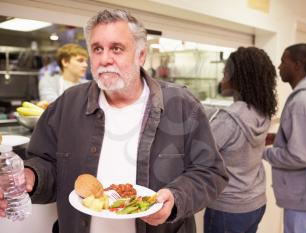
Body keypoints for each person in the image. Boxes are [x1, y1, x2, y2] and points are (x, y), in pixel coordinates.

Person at [0, 9, 228, 233]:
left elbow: (210, 172)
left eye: (116, 48)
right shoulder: (68, 103)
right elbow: (46, 162)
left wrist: (176, 198)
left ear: (140, 55)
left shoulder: (181, 104)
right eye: (97, 49)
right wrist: (31, 175)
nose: (105, 59)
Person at [204, 47, 278, 233]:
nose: (222, 79)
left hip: (228, 208)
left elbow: (199, 153)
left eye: (225, 73)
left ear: (240, 78)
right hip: (255, 202)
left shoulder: (229, 119)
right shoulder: (263, 111)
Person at [263, 43, 306, 233]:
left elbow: (301, 156)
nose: (279, 67)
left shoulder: (303, 102)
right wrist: (276, 138)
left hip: (301, 193)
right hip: (305, 190)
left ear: (298, 65)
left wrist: (265, 153)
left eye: (283, 61)